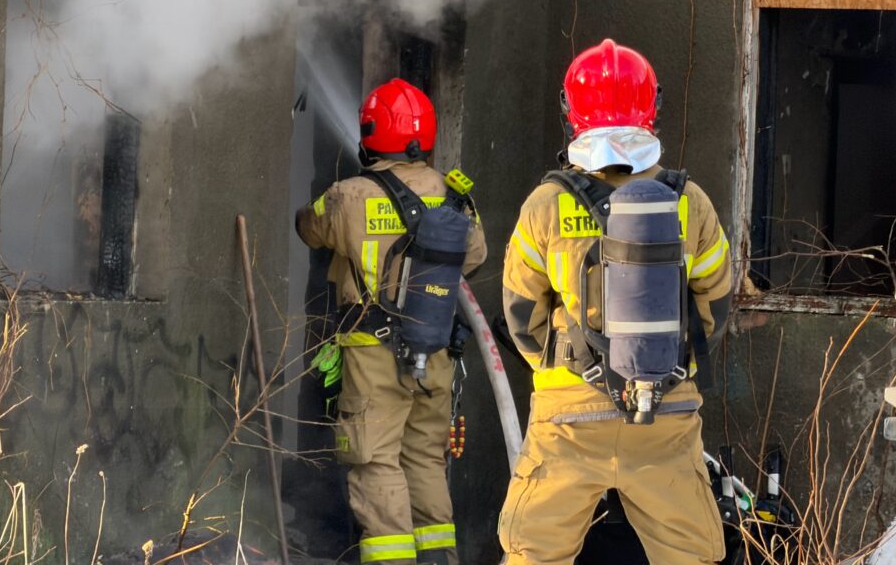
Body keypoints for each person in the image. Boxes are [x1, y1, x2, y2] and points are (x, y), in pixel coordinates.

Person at [498, 39, 732, 565]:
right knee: (691, 555)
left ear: (571, 112)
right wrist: (667, 369)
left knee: (532, 552)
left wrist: (565, 371)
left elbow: (520, 312)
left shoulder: (545, 204)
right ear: (652, 106)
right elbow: (716, 304)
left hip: (568, 421)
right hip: (665, 415)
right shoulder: (690, 201)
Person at [296, 77, 487, 565]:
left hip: (373, 352)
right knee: (424, 459)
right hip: (437, 352)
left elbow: (308, 228)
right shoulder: (455, 196)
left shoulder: (348, 195)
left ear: (369, 132)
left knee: (375, 460)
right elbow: (475, 256)